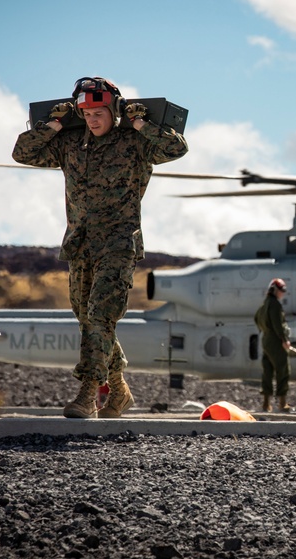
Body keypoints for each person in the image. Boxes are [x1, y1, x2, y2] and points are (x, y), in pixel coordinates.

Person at [13, 77, 188, 418]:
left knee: (99, 317)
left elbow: (175, 148)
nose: (92, 119)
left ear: (113, 110)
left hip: (118, 244)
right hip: (80, 245)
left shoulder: (135, 142)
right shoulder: (69, 144)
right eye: (86, 112)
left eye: (99, 112)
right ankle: (120, 392)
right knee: (90, 321)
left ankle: (87, 394)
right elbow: (23, 152)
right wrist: (54, 122)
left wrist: (139, 121)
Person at [254, 278, 292, 412]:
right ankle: (282, 403)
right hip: (275, 340)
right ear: (275, 290)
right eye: (281, 291)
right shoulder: (275, 304)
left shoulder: (264, 305)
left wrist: (265, 331)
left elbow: (256, 318)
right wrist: (284, 339)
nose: (283, 293)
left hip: (266, 340)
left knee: (267, 372)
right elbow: (278, 324)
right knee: (283, 369)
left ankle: (266, 404)